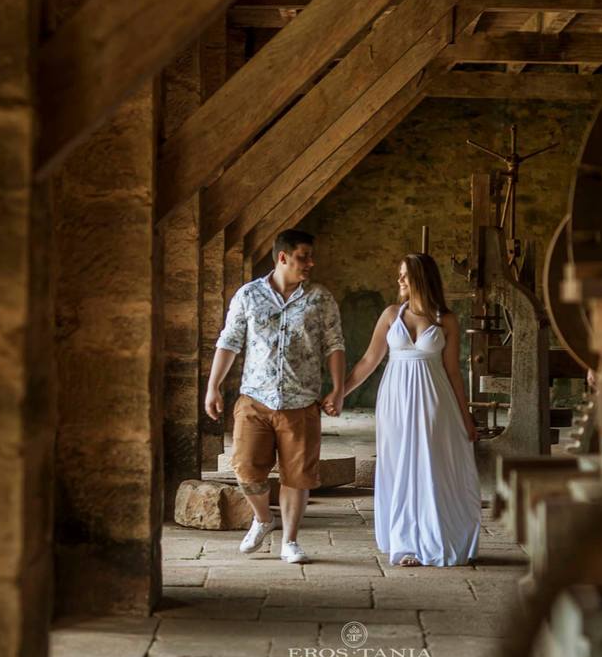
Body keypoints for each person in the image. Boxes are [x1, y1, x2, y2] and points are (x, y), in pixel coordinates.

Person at [205, 229, 346, 565]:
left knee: (297, 476)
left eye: (311, 257)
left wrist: (338, 389)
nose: (310, 264)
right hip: (255, 399)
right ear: (282, 257)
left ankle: (290, 541)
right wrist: (212, 386)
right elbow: (229, 342)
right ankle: (263, 519)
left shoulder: (321, 299)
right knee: (246, 471)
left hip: (301, 402)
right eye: (303, 257)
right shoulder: (248, 295)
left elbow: (335, 345)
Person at [341, 253, 481, 567]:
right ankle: (405, 541)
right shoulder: (391, 314)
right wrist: (339, 394)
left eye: (405, 275)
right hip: (395, 400)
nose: (399, 281)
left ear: (421, 278)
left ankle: (432, 537)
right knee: (399, 464)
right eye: (400, 274)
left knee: (430, 464)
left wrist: (466, 416)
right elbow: (368, 361)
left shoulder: (446, 320)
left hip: (435, 399)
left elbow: (454, 372)